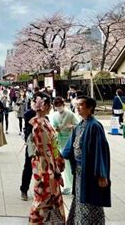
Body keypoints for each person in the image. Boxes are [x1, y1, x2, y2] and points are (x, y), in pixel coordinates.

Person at [62, 96, 111, 224]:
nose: (77, 107)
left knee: (90, 200)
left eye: (81, 105)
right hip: (79, 171)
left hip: (90, 171)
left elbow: (100, 151)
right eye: (77, 105)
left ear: (90, 108)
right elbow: (70, 146)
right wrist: (60, 156)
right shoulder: (81, 124)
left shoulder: (95, 126)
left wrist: (102, 174)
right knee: (79, 198)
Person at [28, 93, 66, 224]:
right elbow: (46, 152)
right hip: (46, 169)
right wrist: (55, 172)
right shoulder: (40, 126)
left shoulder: (43, 122)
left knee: (46, 203)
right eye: (49, 105)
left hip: (46, 166)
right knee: (42, 203)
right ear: (45, 106)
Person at [52, 97, 79, 195]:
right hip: (60, 140)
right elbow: (53, 127)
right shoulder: (54, 115)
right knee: (61, 163)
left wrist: (72, 127)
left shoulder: (70, 114)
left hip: (69, 139)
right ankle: (66, 184)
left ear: (63, 105)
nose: (59, 108)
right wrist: (56, 129)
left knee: (68, 163)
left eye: (60, 106)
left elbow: (78, 125)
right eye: (57, 106)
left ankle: (70, 185)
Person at [20, 100, 36, 201]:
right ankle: (24, 189)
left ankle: (40, 190)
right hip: (31, 144)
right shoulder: (29, 114)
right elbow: (28, 126)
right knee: (28, 167)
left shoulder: (46, 117)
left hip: (43, 146)